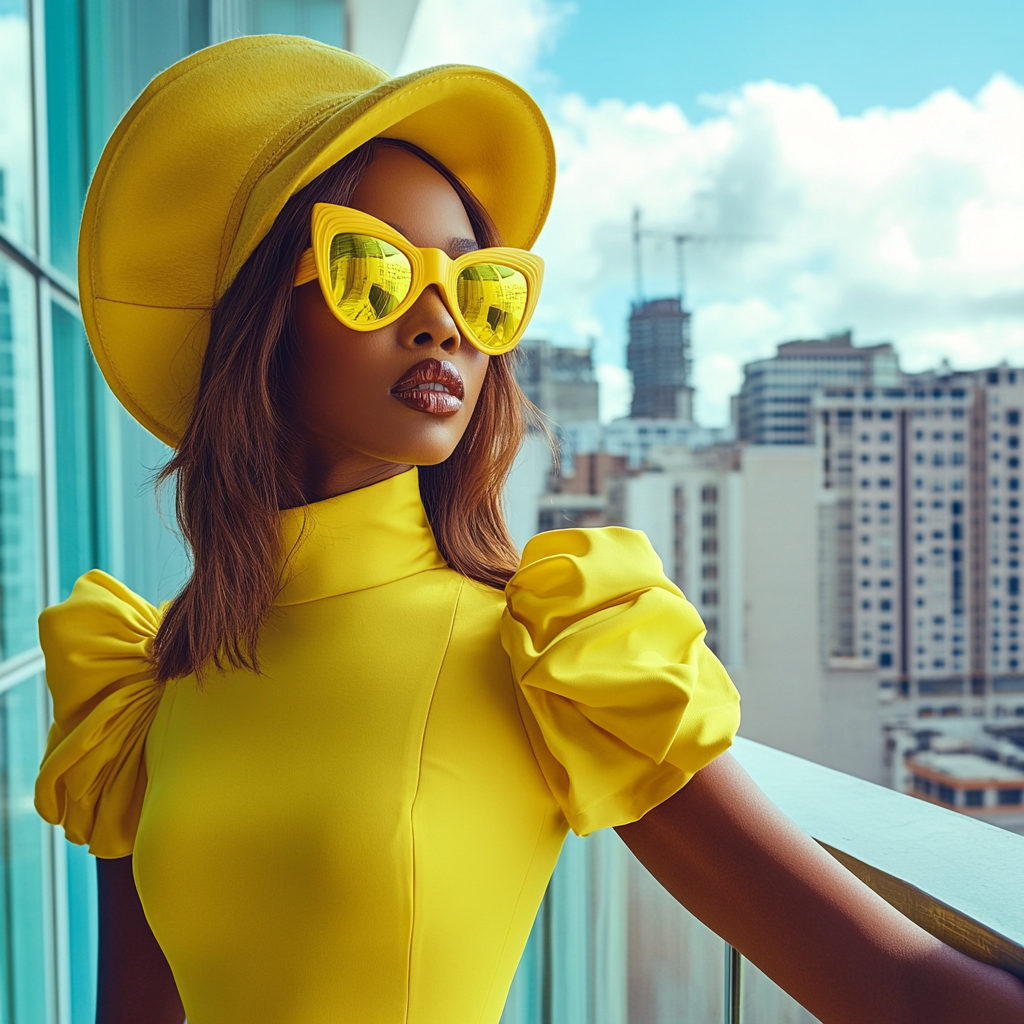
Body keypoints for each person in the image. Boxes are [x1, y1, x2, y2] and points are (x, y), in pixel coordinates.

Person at [33, 35, 1023, 1024]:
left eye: (479, 287)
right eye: (373, 271)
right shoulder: (145, 684)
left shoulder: (547, 651)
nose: (441, 324)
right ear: (262, 318)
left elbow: (886, 983)